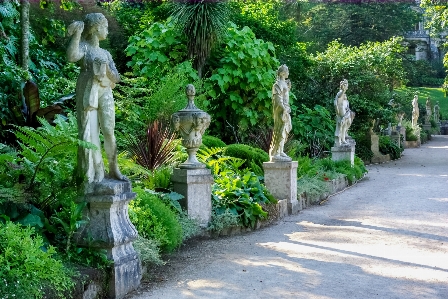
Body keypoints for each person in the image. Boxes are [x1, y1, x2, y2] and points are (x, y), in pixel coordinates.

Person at [67, 13, 125, 183]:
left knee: (108, 130)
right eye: (105, 26)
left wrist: (106, 71)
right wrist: (77, 34)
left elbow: (117, 77)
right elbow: (71, 57)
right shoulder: (84, 47)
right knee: (90, 131)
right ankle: (97, 171)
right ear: (96, 28)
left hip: (105, 90)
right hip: (87, 89)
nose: (107, 30)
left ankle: (114, 168)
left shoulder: (106, 53)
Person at [269, 65, 292, 161]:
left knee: (285, 130)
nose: (288, 73)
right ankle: (276, 153)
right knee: (280, 130)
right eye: (287, 71)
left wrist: (288, 88)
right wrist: (283, 109)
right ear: (282, 73)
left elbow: (285, 96)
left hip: (286, 110)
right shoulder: (277, 84)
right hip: (281, 111)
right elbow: (278, 99)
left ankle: (281, 150)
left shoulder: (284, 84)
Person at [334, 79, 355, 146]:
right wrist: (343, 89)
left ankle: (343, 139)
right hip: (341, 116)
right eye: (346, 86)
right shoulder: (340, 94)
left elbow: (347, 108)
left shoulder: (346, 101)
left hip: (346, 116)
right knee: (340, 129)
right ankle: (339, 141)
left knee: (344, 128)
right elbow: (340, 95)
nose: (345, 96)